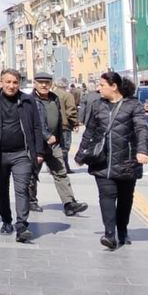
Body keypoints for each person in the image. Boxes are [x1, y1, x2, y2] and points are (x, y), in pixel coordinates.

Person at [75, 71, 148, 249]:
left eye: (102, 85)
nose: (98, 88)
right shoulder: (97, 105)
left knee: (125, 198)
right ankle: (109, 234)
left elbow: (141, 129)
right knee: (106, 196)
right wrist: (80, 154)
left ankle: (122, 230)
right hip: (101, 160)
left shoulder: (133, 105)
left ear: (114, 86)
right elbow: (90, 132)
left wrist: (142, 151)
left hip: (127, 161)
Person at [0, 69, 46, 243]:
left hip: (22, 153)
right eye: (8, 82)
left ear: (19, 84)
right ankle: (6, 221)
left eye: (15, 82)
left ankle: (22, 225)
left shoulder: (28, 100)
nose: (11, 86)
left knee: (22, 189)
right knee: (1, 189)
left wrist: (39, 151)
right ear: (1, 82)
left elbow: (37, 126)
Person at [28, 73, 88, 216]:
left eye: (47, 82)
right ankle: (31, 201)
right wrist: (46, 136)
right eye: (40, 82)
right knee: (32, 173)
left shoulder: (54, 98)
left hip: (54, 143)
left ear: (51, 84)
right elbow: (34, 122)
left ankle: (69, 203)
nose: (44, 85)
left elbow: (60, 117)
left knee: (61, 172)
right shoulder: (29, 100)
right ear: (35, 83)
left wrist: (60, 135)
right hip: (36, 143)